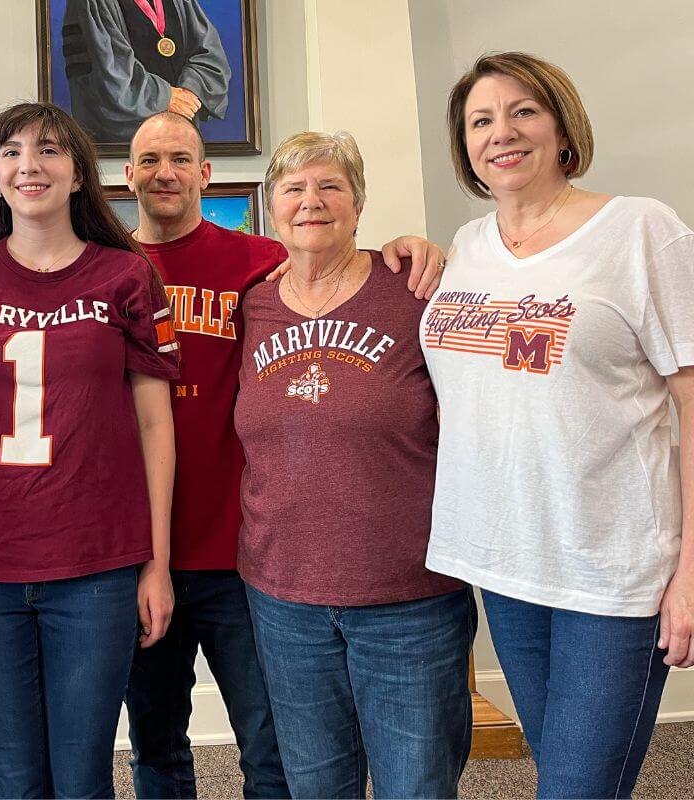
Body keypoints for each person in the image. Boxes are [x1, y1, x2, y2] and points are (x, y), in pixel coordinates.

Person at [121, 111, 446, 800]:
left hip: (246, 556)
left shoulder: (256, 267)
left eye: (181, 158)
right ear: (126, 176)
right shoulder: (107, 269)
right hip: (138, 551)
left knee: (277, 755)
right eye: (149, 160)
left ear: (208, 174)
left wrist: (409, 247)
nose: (165, 172)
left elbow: (336, 260)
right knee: (155, 743)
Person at [422, 52, 694, 798]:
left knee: (575, 787)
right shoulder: (468, 248)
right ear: (466, 146)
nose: (501, 133)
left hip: (611, 569)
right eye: (481, 120)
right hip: (506, 561)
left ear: (562, 127)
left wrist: (693, 571)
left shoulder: (640, 230)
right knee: (569, 775)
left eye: (523, 112)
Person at [0, 101, 179, 799]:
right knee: (13, 774)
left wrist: (158, 563)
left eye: (51, 150)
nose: (30, 165)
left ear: (80, 175)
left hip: (97, 563)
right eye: (12, 152)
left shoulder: (126, 276)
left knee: (83, 776)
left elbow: (156, 426)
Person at [234, 131, 475, 798]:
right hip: (283, 598)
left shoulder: (416, 288)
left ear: (360, 203)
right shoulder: (252, 305)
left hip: (408, 597)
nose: (312, 200)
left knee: (416, 785)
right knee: (317, 786)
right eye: (294, 188)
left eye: (330, 186)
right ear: (271, 207)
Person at [62, 0, 230, 142]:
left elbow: (210, 55)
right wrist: (166, 98)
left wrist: (192, 89)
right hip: (119, 154)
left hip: (180, 139)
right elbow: (109, 74)